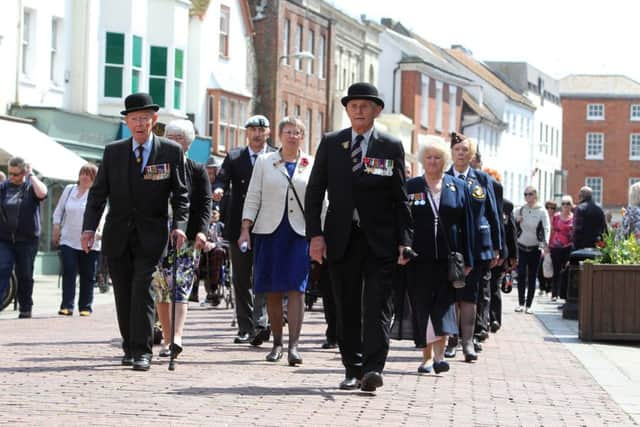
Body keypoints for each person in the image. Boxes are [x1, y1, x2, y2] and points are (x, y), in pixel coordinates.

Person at [305, 82, 413, 392]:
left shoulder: (390, 146)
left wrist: (405, 240)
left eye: (365, 105)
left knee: (377, 305)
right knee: (346, 305)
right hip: (341, 238)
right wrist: (315, 235)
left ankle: (373, 368)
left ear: (377, 110)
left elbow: (400, 198)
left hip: (381, 240)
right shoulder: (331, 143)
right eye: (353, 105)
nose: (359, 110)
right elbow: (315, 192)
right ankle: (352, 368)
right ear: (347, 110)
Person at [82, 93, 189, 371]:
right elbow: (97, 195)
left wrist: (179, 227)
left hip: (152, 236)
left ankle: (143, 351)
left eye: (145, 118)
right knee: (124, 292)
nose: (140, 123)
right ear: (127, 122)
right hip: (118, 234)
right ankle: (129, 346)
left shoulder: (170, 152)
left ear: (154, 120)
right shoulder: (113, 152)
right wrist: (88, 229)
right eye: (134, 119)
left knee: (143, 289)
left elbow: (181, 196)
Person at [239, 117, 313, 365]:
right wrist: (245, 227)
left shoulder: (310, 163)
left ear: (303, 136)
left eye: (298, 132)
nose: (293, 136)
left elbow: (320, 201)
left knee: (297, 288)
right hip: (270, 231)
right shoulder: (264, 161)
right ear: (280, 135)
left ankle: (294, 345)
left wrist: (321, 234)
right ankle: (277, 343)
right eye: (288, 131)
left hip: (299, 233)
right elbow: (253, 195)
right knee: (272, 288)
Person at [405, 135, 473, 374]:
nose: (433, 161)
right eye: (429, 157)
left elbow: (467, 226)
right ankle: (425, 357)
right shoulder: (411, 187)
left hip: (448, 258)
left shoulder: (459, 187)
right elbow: (404, 222)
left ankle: (440, 356)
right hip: (418, 258)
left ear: (444, 160)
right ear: (423, 160)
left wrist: (468, 259)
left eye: (437, 157)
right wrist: (402, 248)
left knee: (444, 306)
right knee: (422, 304)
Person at [213, 115, 275, 345]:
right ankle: (245, 327)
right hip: (238, 226)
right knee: (241, 277)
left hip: (268, 224)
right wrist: (218, 190)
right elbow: (221, 179)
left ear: (268, 132)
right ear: (246, 132)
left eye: (262, 129)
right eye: (253, 129)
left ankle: (262, 323)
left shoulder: (274, 156)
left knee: (263, 274)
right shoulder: (235, 156)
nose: (257, 134)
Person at [151, 119, 211, 359]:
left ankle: (177, 336)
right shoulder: (156, 167)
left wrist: (202, 231)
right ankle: (166, 338)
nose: (175, 142)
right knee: (162, 288)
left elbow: (205, 203)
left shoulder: (196, 170)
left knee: (181, 288)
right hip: (158, 235)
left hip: (185, 237)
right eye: (171, 137)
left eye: (180, 138)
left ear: (188, 144)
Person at [444, 133, 501, 362]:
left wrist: (498, 247)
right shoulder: (443, 176)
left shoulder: (482, 179)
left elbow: (493, 213)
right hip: (451, 244)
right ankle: (451, 340)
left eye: (465, 150)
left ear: (472, 154)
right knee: (451, 295)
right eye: (457, 149)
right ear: (451, 152)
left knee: (471, 294)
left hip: (478, 246)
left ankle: (468, 342)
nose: (461, 153)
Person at [0, 157, 48, 318]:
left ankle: (25, 307)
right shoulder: (4, 187)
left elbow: (43, 193)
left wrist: (31, 175)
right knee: (2, 268)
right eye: (10, 173)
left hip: (27, 240)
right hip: (5, 239)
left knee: (25, 274)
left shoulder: (31, 186)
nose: (12, 177)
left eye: (15, 174)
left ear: (23, 172)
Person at [53, 163, 101, 316]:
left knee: (87, 274)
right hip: (68, 239)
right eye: (83, 173)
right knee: (69, 270)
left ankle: (85, 306)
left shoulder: (97, 194)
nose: (85, 177)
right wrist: (56, 228)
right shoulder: (69, 190)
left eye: (89, 175)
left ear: (95, 179)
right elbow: (59, 211)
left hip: (89, 242)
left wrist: (98, 231)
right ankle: (67, 305)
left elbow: (102, 215)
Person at [515, 186, 550, 313]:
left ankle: (529, 305)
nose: (528, 197)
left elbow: (546, 227)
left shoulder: (542, 211)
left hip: (535, 248)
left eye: (530, 194)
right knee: (521, 275)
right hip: (521, 246)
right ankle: (520, 303)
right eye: (525, 194)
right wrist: (516, 221)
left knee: (532, 276)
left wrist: (545, 244)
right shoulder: (520, 210)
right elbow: (510, 224)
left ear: (535, 196)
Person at [549, 195, 574, 302]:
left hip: (568, 247)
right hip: (555, 246)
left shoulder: (574, 217)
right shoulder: (556, 216)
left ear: (571, 205)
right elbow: (551, 230)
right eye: (563, 203)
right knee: (556, 270)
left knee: (566, 271)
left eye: (568, 203)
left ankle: (563, 293)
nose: (565, 206)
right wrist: (547, 245)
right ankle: (554, 293)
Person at [538, 200, 558, 296]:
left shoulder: (556, 219)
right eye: (548, 207)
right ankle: (542, 287)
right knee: (540, 267)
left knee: (551, 267)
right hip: (543, 245)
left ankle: (549, 289)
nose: (550, 210)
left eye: (552, 208)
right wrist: (543, 246)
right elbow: (540, 233)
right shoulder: (542, 218)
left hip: (553, 245)